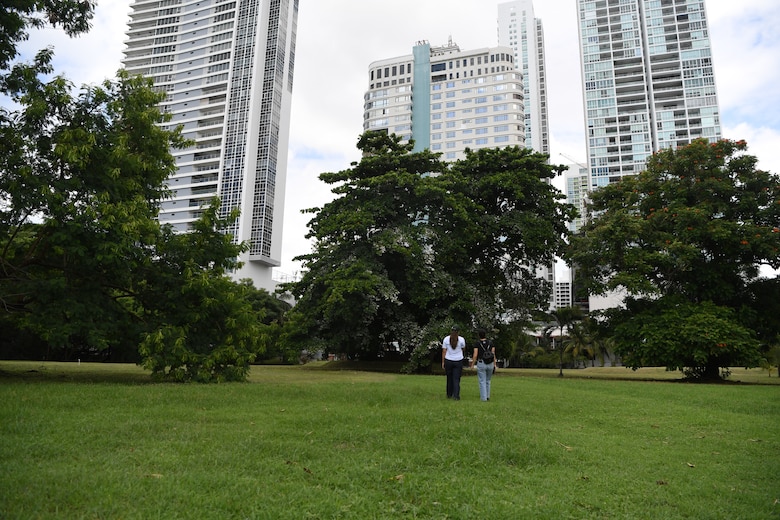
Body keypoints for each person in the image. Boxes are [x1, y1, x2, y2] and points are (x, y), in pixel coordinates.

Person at [470, 329, 495, 401]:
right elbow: (493, 354)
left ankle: (483, 398)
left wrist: (472, 364)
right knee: (488, 380)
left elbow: (475, 355)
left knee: (482, 380)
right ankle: (487, 396)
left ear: (479, 335)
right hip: (490, 363)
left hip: (481, 362)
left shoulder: (477, 344)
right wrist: (494, 364)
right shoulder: (491, 343)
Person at [441, 326, 466, 400]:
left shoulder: (446, 339)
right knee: (456, 379)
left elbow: (444, 351)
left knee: (449, 378)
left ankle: (449, 394)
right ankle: (456, 395)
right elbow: (463, 348)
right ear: (458, 332)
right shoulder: (461, 339)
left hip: (448, 360)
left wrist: (443, 362)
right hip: (458, 360)